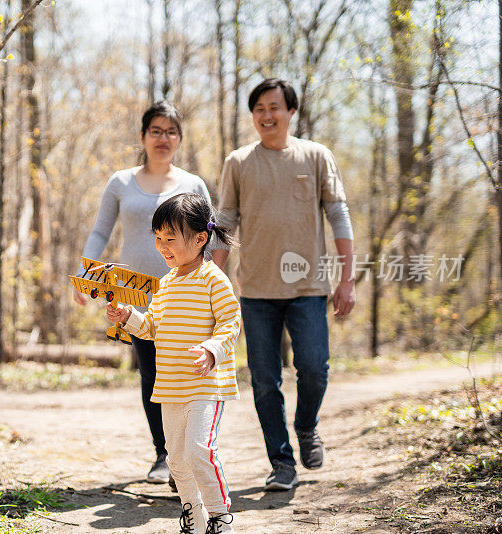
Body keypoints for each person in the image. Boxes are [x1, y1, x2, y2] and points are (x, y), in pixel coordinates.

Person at [211, 78, 356, 492]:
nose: (266, 115)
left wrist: (348, 280)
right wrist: (213, 279)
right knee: (263, 379)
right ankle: (281, 462)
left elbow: (338, 215)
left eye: (274, 107)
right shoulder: (238, 162)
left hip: (309, 287)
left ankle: (306, 426)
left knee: (313, 368)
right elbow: (225, 221)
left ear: (291, 111)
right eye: (258, 108)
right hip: (255, 291)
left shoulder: (315, 156)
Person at [74, 101, 217, 486]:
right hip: (135, 296)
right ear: (143, 136)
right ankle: (164, 456)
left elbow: (211, 238)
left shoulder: (193, 185)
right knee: (152, 374)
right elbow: (102, 231)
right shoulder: (121, 182)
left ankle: (188, 454)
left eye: (171, 131)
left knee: (187, 373)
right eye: (156, 130)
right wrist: (84, 273)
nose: (163, 138)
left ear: (179, 139)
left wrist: (214, 286)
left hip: (186, 295)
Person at [106, 193, 240, 534]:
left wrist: (212, 350)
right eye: (158, 238)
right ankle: (193, 518)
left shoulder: (213, 279)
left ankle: (220, 516)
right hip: (171, 386)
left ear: (200, 238)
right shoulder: (165, 284)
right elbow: (152, 328)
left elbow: (231, 322)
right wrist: (127, 317)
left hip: (206, 385)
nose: (163, 246)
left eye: (171, 239)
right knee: (178, 461)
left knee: (200, 451)